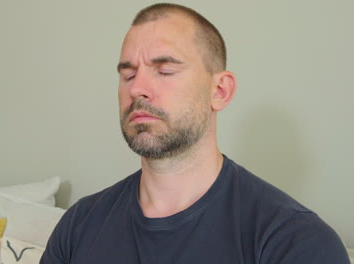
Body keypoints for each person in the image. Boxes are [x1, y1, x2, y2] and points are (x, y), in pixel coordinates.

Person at [41, 3, 350, 263]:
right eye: (128, 74)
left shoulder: (295, 240)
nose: (137, 88)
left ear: (219, 91)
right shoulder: (79, 224)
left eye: (165, 70)